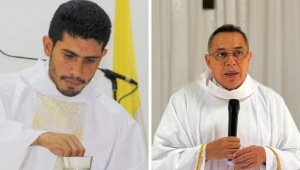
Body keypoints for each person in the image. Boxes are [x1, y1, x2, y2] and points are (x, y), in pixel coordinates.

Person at [0, 0, 147, 169]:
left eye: (90, 60)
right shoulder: (6, 92)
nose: (77, 72)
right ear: (48, 46)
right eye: (69, 56)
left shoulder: (118, 121)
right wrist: (38, 138)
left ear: (102, 56)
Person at [152, 24, 300, 170]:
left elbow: (296, 157)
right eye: (221, 54)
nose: (230, 61)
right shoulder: (183, 101)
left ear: (249, 57)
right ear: (208, 61)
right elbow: (159, 160)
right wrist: (206, 152)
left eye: (238, 53)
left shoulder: (271, 101)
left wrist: (265, 155)